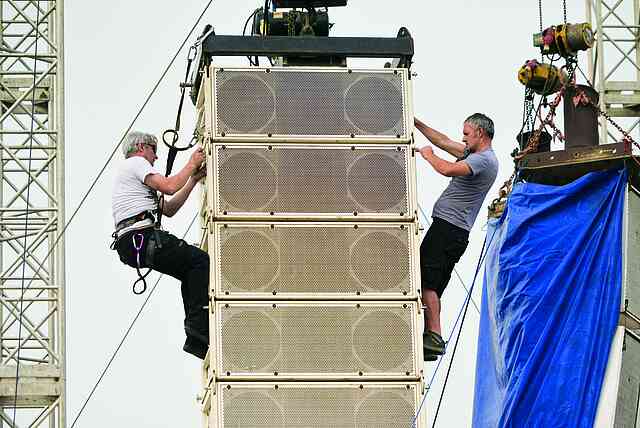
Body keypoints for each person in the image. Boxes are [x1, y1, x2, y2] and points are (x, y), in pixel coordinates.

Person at [111, 131, 209, 359]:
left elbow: (170, 208)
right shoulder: (135, 163)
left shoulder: (134, 180)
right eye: (154, 151)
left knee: (190, 270)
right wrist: (191, 162)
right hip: (141, 237)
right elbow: (170, 186)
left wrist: (193, 179)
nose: (156, 158)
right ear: (141, 148)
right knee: (199, 261)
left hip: (135, 243)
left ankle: (197, 336)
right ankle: (198, 328)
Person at [414, 114, 499, 360]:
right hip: (451, 229)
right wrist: (417, 123)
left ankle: (434, 335)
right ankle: (432, 334)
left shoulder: (484, 160)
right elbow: (443, 141)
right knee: (431, 281)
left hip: (450, 229)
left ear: (480, 134)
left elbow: (448, 168)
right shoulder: (474, 154)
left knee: (427, 279)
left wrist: (428, 156)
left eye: (466, 133)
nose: (463, 138)